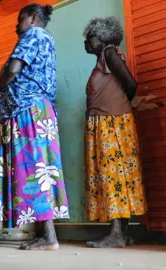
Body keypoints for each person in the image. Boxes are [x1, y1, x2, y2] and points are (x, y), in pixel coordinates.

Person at [0, 3, 69, 250]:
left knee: (34, 170)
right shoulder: (45, 39)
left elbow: (13, 69)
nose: (16, 25)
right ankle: (45, 234)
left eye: (20, 19)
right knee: (37, 169)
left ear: (33, 18)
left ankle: (49, 238)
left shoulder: (33, 35)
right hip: (34, 111)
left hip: (28, 112)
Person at [83, 17, 147, 248]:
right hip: (108, 121)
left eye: (91, 37)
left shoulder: (109, 52)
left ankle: (117, 234)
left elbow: (130, 84)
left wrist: (119, 107)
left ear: (104, 38)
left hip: (112, 123)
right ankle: (122, 233)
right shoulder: (103, 57)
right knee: (116, 175)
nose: (86, 41)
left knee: (113, 176)